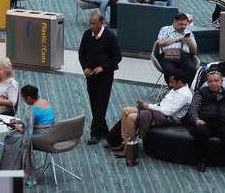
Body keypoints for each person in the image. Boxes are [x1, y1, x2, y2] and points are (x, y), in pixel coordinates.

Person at [111, 71, 193, 158]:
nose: (170, 84)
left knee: (131, 118)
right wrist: (149, 106)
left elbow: (168, 112)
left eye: (172, 82)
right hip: (159, 112)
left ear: (179, 82)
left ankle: (128, 149)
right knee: (125, 110)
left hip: (167, 118)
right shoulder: (176, 89)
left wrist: (148, 106)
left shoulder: (184, 95)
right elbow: (161, 104)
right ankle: (124, 143)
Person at [79, 12, 122, 145]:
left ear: (101, 22)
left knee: (101, 104)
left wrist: (103, 67)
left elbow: (117, 56)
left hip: (105, 76)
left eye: (94, 23)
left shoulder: (110, 36)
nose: (91, 26)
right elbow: (81, 53)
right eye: (90, 23)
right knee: (94, 103)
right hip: (90, 75)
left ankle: (94, 133)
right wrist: (85, 67)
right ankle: (103, 130)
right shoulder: (87, 34)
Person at [155, 13, 197, 83]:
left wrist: (190, 43)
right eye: (181, 24)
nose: (183, 26)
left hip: (184, 56)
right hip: (168, 55)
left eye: (185, 25)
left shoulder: (188, 33)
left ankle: (184, 88)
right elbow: (160, 43)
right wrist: (179, 38)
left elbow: (195, 52)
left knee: (192, 69)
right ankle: (173, 89)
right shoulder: (165, 29)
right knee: (169, 70)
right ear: (174, 21)